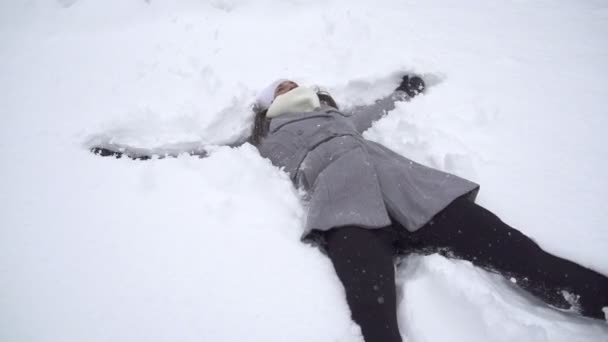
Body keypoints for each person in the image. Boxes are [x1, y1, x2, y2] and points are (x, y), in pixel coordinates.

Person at [91, 76, 608, 342]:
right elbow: (198, 153)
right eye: (281, 88)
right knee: (373, 311)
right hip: (350, 215)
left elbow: (380, 108)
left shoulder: (339, 115)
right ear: (267, 105)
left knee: (521, 255)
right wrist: (130, 153)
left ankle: (597, 299)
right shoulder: (263, 144)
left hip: (415, 196)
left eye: (296, 83)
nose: (291, 88)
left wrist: (404, 90)